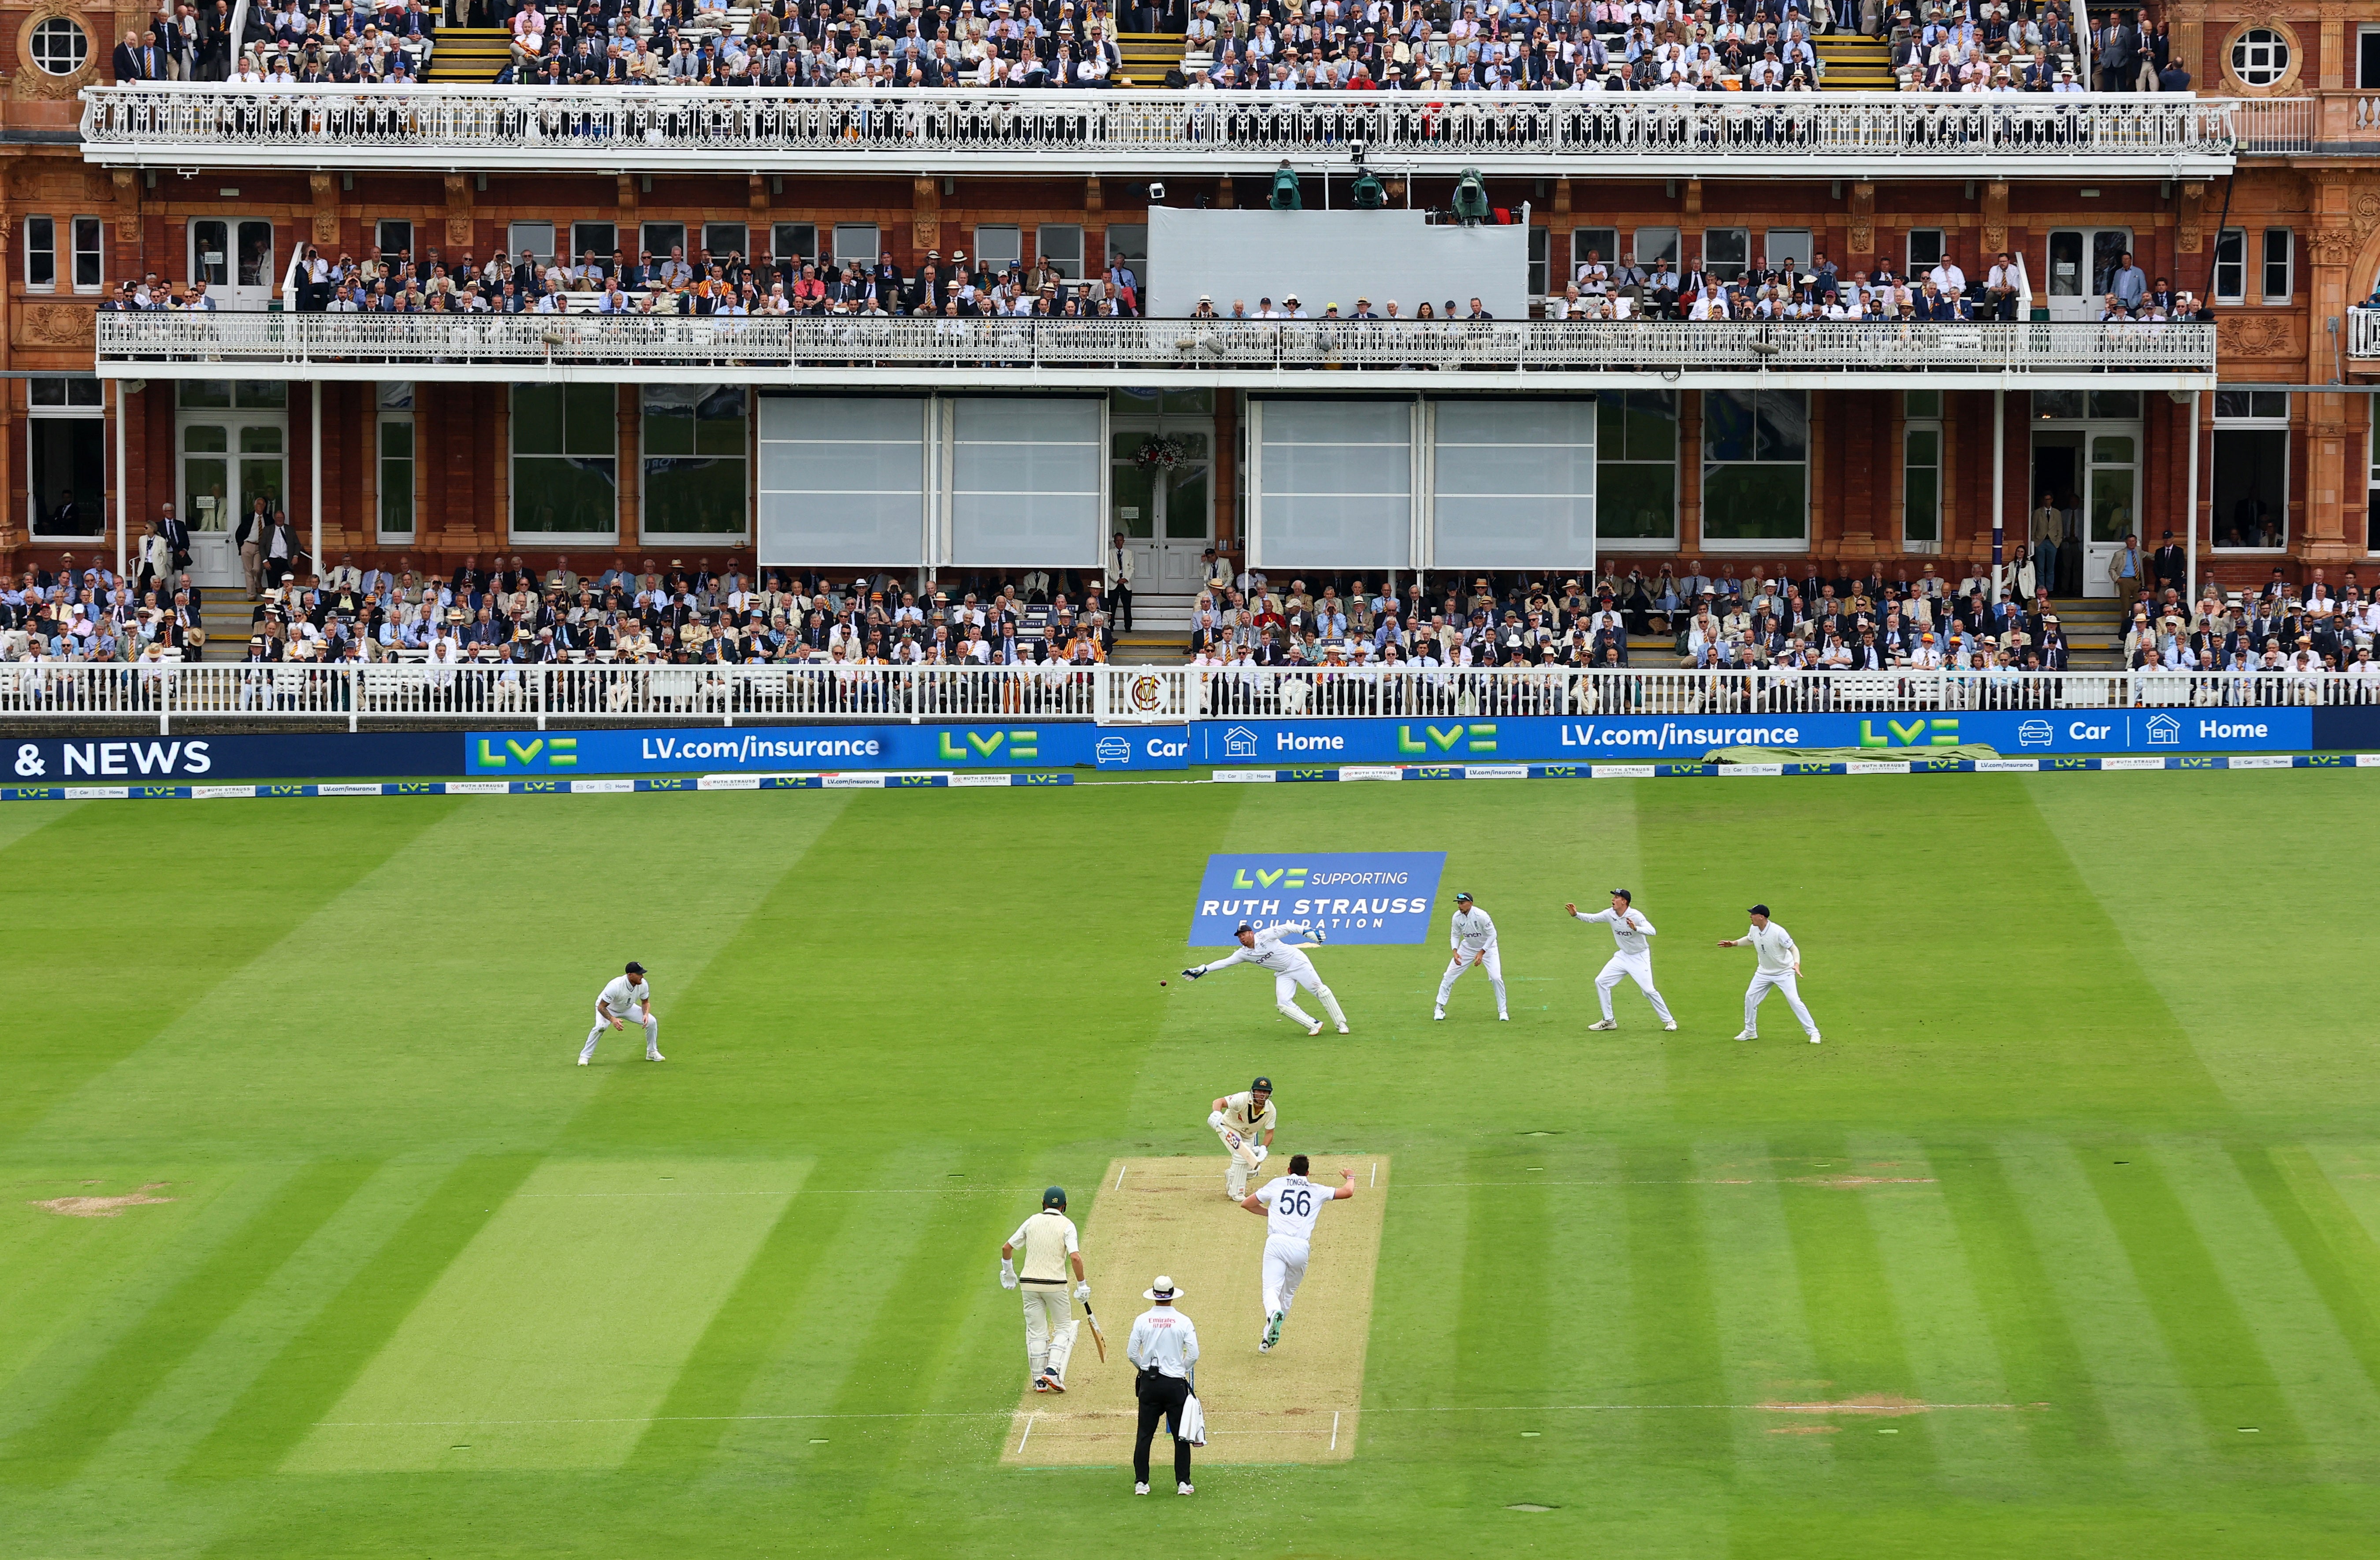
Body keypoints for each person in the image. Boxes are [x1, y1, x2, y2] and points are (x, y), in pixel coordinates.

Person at [1237, 1152, 1354, 1353]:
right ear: (1307, 1173)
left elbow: (1247, 1203)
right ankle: (1267, 1340)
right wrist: (1351, 1177)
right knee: (1288, 1294)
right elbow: (1348, 1192)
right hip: (1301, 1247)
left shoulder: (1277, 1184)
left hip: (1276, 1243)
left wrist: (1272, 1214)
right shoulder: (1317, 1190)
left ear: (1289, 1170)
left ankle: (1273, 1314)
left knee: (1271, 1290)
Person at [1181, 920, 1349, 1036]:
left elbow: (1289, 927)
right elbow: (1225, 963)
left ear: (1251, 933)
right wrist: (1203, 970)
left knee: (1321, 991)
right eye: (1239, 937)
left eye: (1244, 935)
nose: (1242, 939)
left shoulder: (1266, 936)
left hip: (1297, 962)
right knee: (1283, 1004)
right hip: (1283, 973)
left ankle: (1341, 1024)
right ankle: (1314, 1024)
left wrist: (1308, 932)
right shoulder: (1244, 954)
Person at [999, 1185, 1089, 1395]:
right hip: (1054, 1284)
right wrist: (1082, 1284)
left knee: (1037, 1332)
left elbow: (1006, 1248)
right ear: (1065, 1206)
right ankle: (1052, 1371)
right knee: (1064, 1329)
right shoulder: (1067, 1225)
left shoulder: (1032, 1221)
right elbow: (1075, 1257)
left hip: (1029, 1284)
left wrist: (1009, 1273)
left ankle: (1040, 1380)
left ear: (1043, 1203)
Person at [1125, 1275, 1199, 1496]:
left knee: (1145, 1434)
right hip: (1175, 1384)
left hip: (1150, 1382)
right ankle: (1183, 1483)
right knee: (1180, 1435)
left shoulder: (1142, 1320)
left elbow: (1131, 1354)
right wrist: (1180, 1369)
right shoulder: (1183, 1321)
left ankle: (1141, 1483)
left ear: (1155, 1296)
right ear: (1172, 1296)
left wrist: (1145, 1369)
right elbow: (1194, 1354)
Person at [1569, 888, 1677, 1032]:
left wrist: (1636, 928)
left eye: (1617, 897)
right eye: (1614, 897)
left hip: (1639, 957)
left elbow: (1653, 931)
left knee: (1648, 990)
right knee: (1601, 982)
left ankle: (1670, 1021)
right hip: (1623, 956)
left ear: (1624, 902)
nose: (1613, 900)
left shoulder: (1636, 916)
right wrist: (1576, 915)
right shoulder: (1610, 914)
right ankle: (1609, 1021)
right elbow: (1593, 918)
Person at [1717, 905, 1820, 1044]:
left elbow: (1794, 949)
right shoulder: (1754, 929)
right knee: (1750, 997)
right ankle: (1750, 1031)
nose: (1750, 916)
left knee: (1794, 1001)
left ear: (1762, 917)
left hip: (1784, 972)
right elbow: (1750, 939)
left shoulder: (1778, 932)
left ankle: (1814, 1033)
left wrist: (1796, 964)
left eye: (1753, 914)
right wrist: (1734, 943)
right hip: (1764, 972)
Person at [1432, 891, 1508, 1022]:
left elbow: (1493, 935)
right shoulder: (1457, 917)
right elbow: (1455, 935)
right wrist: (1455, 951)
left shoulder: (1481, 915)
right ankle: (1439, 1008)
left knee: (1496, 978)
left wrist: (1482, 952)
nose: (1460, 906)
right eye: (1459, 903)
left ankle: (1503, 1011)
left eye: (1462, 903)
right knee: (1449, 976)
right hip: (1467, 948)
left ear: (1470, 904)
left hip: (1488, 948)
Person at [578, 959, 662, 1064]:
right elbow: (601, 1007)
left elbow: (645, 1002)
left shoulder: (643, 984)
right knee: (601, 1027)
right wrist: (613, 1019)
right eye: (639, 974)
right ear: (630, 975)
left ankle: (652, 1052)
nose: (642, 977)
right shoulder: (615, 986)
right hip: (608, 1009)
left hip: (628, 1008)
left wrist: (645, 1014)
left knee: (652, 1021)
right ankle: (584, 1056)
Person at [1208, 1075, 1276, 1201]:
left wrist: (1263, 1148)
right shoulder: (1242, 1098)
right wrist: (1216, 1113)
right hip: (1228, 1127)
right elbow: (1219, 1102)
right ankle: (1237, 1193)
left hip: (1249, 1135)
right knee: (1241, 1154)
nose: (1262, 1095)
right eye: (1259, 1091)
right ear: (1253, 1091)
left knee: (1252, 1168)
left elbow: (1269, 1132)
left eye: (1265, 1092)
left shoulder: (1271, 1110)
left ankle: (1232, 1175)